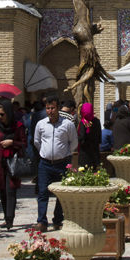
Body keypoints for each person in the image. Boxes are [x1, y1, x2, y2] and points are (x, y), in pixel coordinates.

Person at [34, 94, 79, 231]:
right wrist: (47, 152)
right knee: (42, 192)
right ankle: (42, 221)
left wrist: (63, 153)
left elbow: (74, 143)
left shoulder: (68, 125)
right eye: (48, 108)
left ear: (58, 108)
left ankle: (58, 219)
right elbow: (37, 142)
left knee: (61, 193)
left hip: (62, 163)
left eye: (53, 108)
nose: (50, 111)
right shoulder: (41, 124)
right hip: (45, 164)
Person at [0, 101, 27, 229]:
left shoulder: (18, 126)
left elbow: (24, 144)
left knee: (11, 190)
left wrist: (12, 142)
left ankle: (9, 219)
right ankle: (6, 217)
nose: (0, 117)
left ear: (8, 113)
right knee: (2, 190)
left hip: (13, 162)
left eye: (2, 114)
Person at [75, 102, 102, 169]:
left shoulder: (83, 122)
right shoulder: (97, 121)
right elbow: (99, 136)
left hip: (85, 153)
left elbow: (81, 137)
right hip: (95, 152)